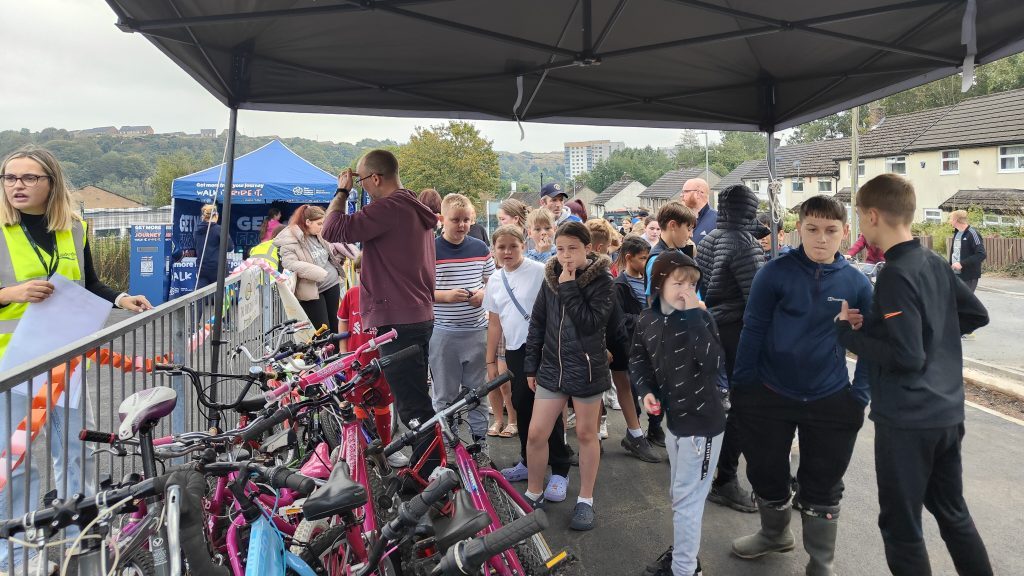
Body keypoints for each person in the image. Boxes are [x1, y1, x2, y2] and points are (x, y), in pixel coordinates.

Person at [0, 147, 152, 573]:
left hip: (66, 361)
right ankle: (18, 556)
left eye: (29, 178)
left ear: (51, 183)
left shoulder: (74, 228)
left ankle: (76, 539)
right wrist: (12, 294)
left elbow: (90, 283)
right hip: (12, 367)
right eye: (10, 178)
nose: (17, 186)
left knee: (74, 452)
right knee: (16, 463)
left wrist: (120, 297)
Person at [836, 174, 993, 576]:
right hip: (946, 414)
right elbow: (976, 314)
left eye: (859, 217)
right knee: (953, 514)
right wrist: (928, 331)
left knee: (901, 527)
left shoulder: (893, 273)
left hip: (907, 420)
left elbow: (906, 357)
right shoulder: (934, 262)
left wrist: (848, 337)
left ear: (872, 216)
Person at [730, 195, 873, 576]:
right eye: (812, 229)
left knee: (823, 481)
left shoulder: (857, 283)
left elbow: (874, 345)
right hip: (770, 391)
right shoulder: (774, 273)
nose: (821, 239)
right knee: (764, 471)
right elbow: (753, 328)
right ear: (799, 229)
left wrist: (859, 396)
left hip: (830, 397)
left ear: (845, 232)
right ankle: (774, 534)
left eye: (830, 231)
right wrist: (743, 386)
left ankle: (821, 561)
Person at [322, 149, 440, 474]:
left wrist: (342, 191)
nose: (362, 188)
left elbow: (331, 230)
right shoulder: (411, 206)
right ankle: (429, 468)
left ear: (375, 178)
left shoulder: (390, 207)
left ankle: (430, 477)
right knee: (414, 399)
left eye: (361, 181)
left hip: (399, 320)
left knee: (413, 405)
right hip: (417, 315)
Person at [632, 251, 727, 576]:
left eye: (691, 282)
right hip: (675, 421)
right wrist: (646, 392)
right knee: (680, 496)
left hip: (703, 424)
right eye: (678, 281)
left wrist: (693, 319)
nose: (687, 288)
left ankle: (684, 569)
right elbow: (638, 361)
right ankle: (687, 558)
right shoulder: (647, 319)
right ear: (659, 283)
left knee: (686, 501)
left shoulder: (700, 318)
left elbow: (714, 364)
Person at [523, 222, 613, 530]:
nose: (566, 256)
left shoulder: (602, 281)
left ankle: (585, 499)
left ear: (588, 248)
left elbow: (590, 323)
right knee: (537, 433)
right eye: (560, 249)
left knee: (586, 435)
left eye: (572, 249)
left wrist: (570, 285)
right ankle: (533, 493)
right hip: (551, 369)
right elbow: (537, 322)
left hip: (587, 369)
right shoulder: (550, 277)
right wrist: (531, 366)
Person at [695, 184, 768, 514]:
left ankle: (709, 471)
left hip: (714, 324)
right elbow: (758, 298)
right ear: (749, 210)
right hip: (739, 330)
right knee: (744, 406)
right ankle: (725, 479)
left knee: (717, 401)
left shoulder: (710, 237)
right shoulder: (744, 243)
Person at [486, 226, 573, 487]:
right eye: (501, 247)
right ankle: (527, 459)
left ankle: (560, 468)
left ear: (523, 246)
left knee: (549, 407)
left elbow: (559, 307)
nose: (507, 251)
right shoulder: (494, 279)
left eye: (513, 246)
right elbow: (494, 322)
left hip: (545, 349)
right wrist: (490, 360)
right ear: (494, 250)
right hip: (515, 351)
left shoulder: (539, 271)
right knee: (521, 405)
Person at [429, 193, 495, 444]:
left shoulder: (479, 247)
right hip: (444, 332)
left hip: (477, 330)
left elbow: (494, 284)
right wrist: (445, 297)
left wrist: (482, 294)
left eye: (466, 220)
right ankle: (448, 444)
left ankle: (480, 444)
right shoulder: (431, 249)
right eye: (455, 220)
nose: (462, 225)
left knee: (477, 392)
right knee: (444, 395)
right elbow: (419, 291)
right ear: (441, 219)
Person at [610, 234, 661, 463]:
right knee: (626, 388)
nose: (647, 262)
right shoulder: (619, 285)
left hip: (650, 344)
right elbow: (619, 321)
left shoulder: (651, 280)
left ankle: (646, 431)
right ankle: (635, 434)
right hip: (627, 346)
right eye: (643, 258)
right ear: (629, 258)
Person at [275, 204, 347, 334]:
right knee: (323, 330)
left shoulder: (319, 234)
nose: (322, 227)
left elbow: (329, 251)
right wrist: (317, 273)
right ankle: (327, 354)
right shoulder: (289, 238)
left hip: (332, 284)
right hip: (312, 291)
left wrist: (339, 256)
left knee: (335, 326)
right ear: (308, 222)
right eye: (319, 224)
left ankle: (338, 354)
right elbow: (289, 263)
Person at [194, 203, 235, 289]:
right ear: (216, 215)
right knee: (221, 296)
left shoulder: (197, 230)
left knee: (201, 296)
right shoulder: (219, 229)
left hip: (202, 268)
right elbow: (230, 247)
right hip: (217, 269)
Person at [948, 209, 986, 294]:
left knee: (965, 303)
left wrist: (962, 264)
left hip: (968, 276)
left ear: (956, 220)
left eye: (950, 219)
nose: (949, 221)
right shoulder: (957, 233)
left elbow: (981, 254)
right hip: (956, 274)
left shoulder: (972, 233)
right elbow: (955, 252)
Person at [681, 178, 718, 243]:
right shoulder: (681, 219)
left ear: (698, 194)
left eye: (686, 191)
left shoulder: (717, 220)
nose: (681, 195)